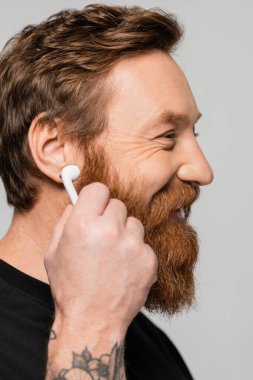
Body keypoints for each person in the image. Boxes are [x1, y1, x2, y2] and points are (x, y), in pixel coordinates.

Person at [0, 3, 214, 380]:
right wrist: (92, 326)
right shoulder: (103, 327)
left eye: (192, 134)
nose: (203, 171)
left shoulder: (147, 343)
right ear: (56, 150)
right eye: (167, 137)